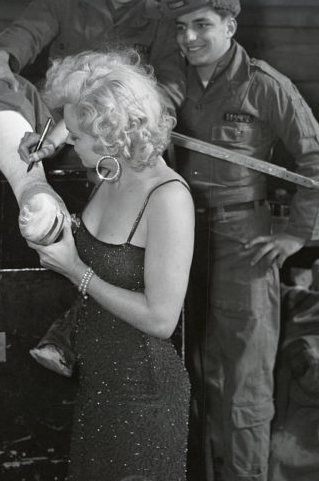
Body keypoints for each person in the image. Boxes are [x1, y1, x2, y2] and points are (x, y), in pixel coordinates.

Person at [160, 0, 319, 481]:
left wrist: (296, 234)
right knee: (183, 372)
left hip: (245, 243)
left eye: (202, 25)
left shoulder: (265, 85)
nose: (189, 38)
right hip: (179, 237)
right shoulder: (172, 82)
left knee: (243, 385)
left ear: (229, 25)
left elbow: (316, 158)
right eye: (181, 28)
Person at [23, 50, 194, 480]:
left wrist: (74, 269)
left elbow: (161, 319)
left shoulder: (168, 198)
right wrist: (54, 138)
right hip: (99, 388)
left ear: (111, 133)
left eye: (78, 135)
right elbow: (100, 86)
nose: (71, 143)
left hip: (144, 397)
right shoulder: (112, 170)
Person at [0, 0, 185, 245]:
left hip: (112, 140)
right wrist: (2, 55)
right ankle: (33, 191)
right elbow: (28, 31)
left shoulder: (163, 24)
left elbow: (169, 94)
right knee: (2, 84)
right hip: (47, 126)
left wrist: (107, 114)